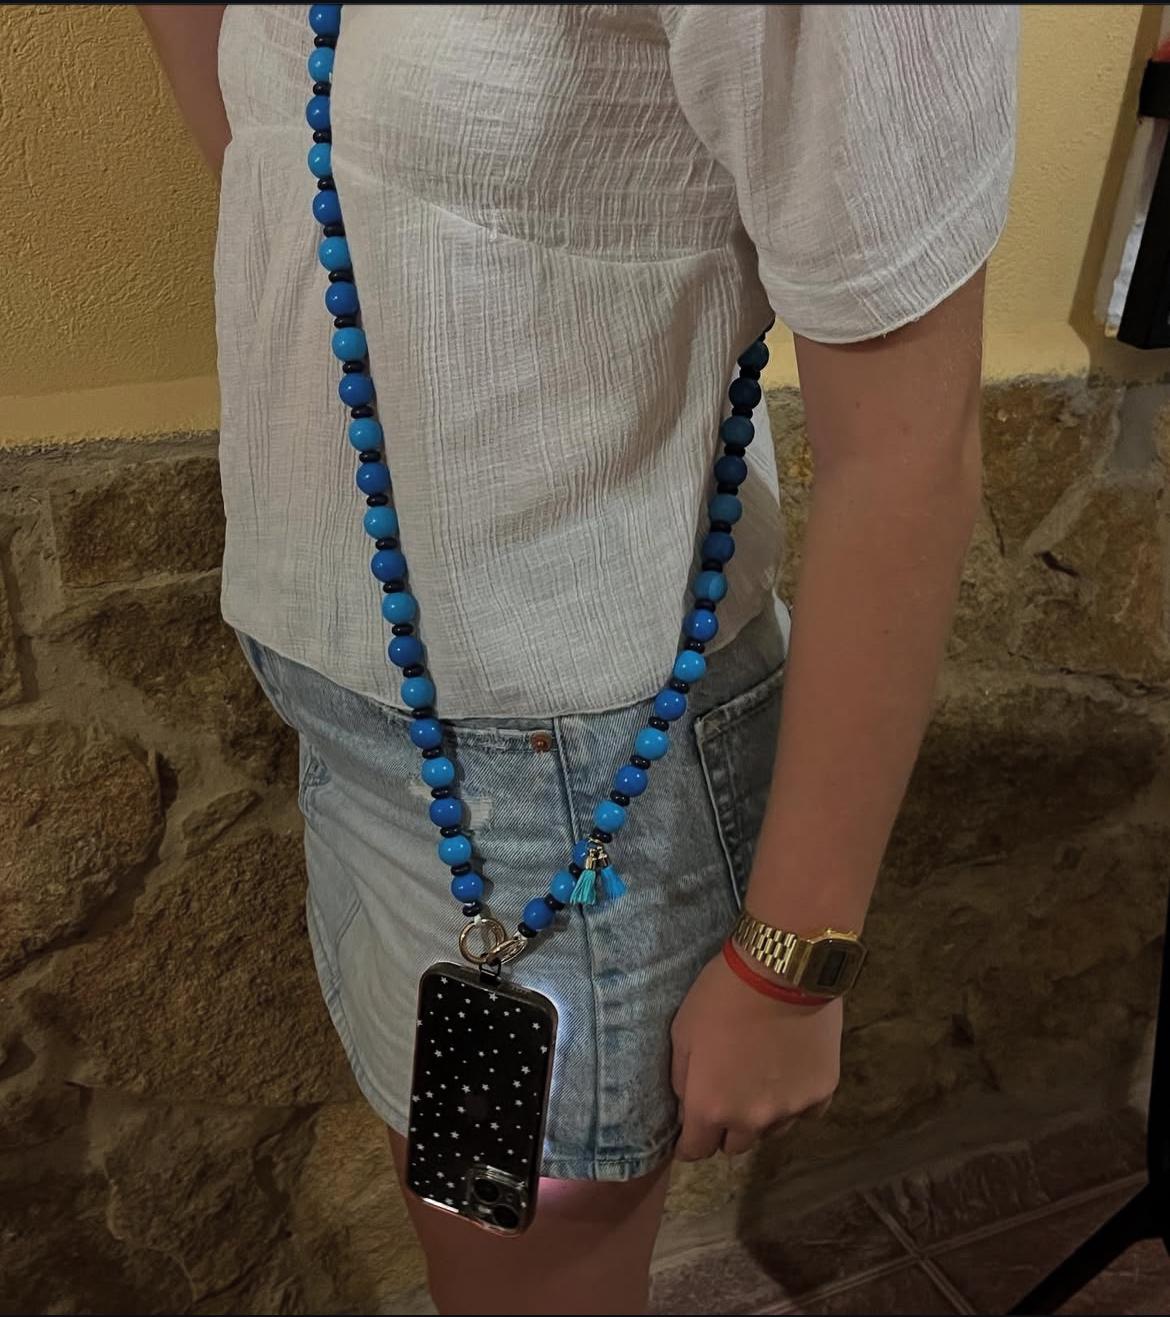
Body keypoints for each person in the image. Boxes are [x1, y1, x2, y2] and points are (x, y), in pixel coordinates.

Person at [138, 5, 1018, 1313]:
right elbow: (310, 171)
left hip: (556, 814)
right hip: (357, 711)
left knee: (510, 1287)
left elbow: (909, 447)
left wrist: (790, 962)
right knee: (469, 1248)